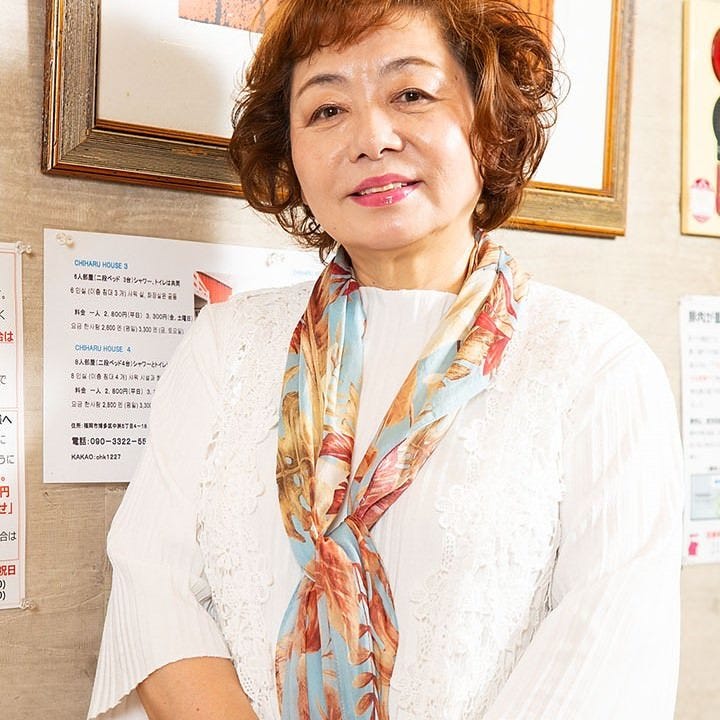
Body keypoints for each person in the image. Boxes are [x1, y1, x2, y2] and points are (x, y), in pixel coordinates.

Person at [88, 1, 684, 718]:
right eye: (327, 109)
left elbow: (609, 655)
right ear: (290, 150)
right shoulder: (225, 345)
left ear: (488, 122)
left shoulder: (595, 364)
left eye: (411, 94)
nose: (371, 137)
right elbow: (153, 589)